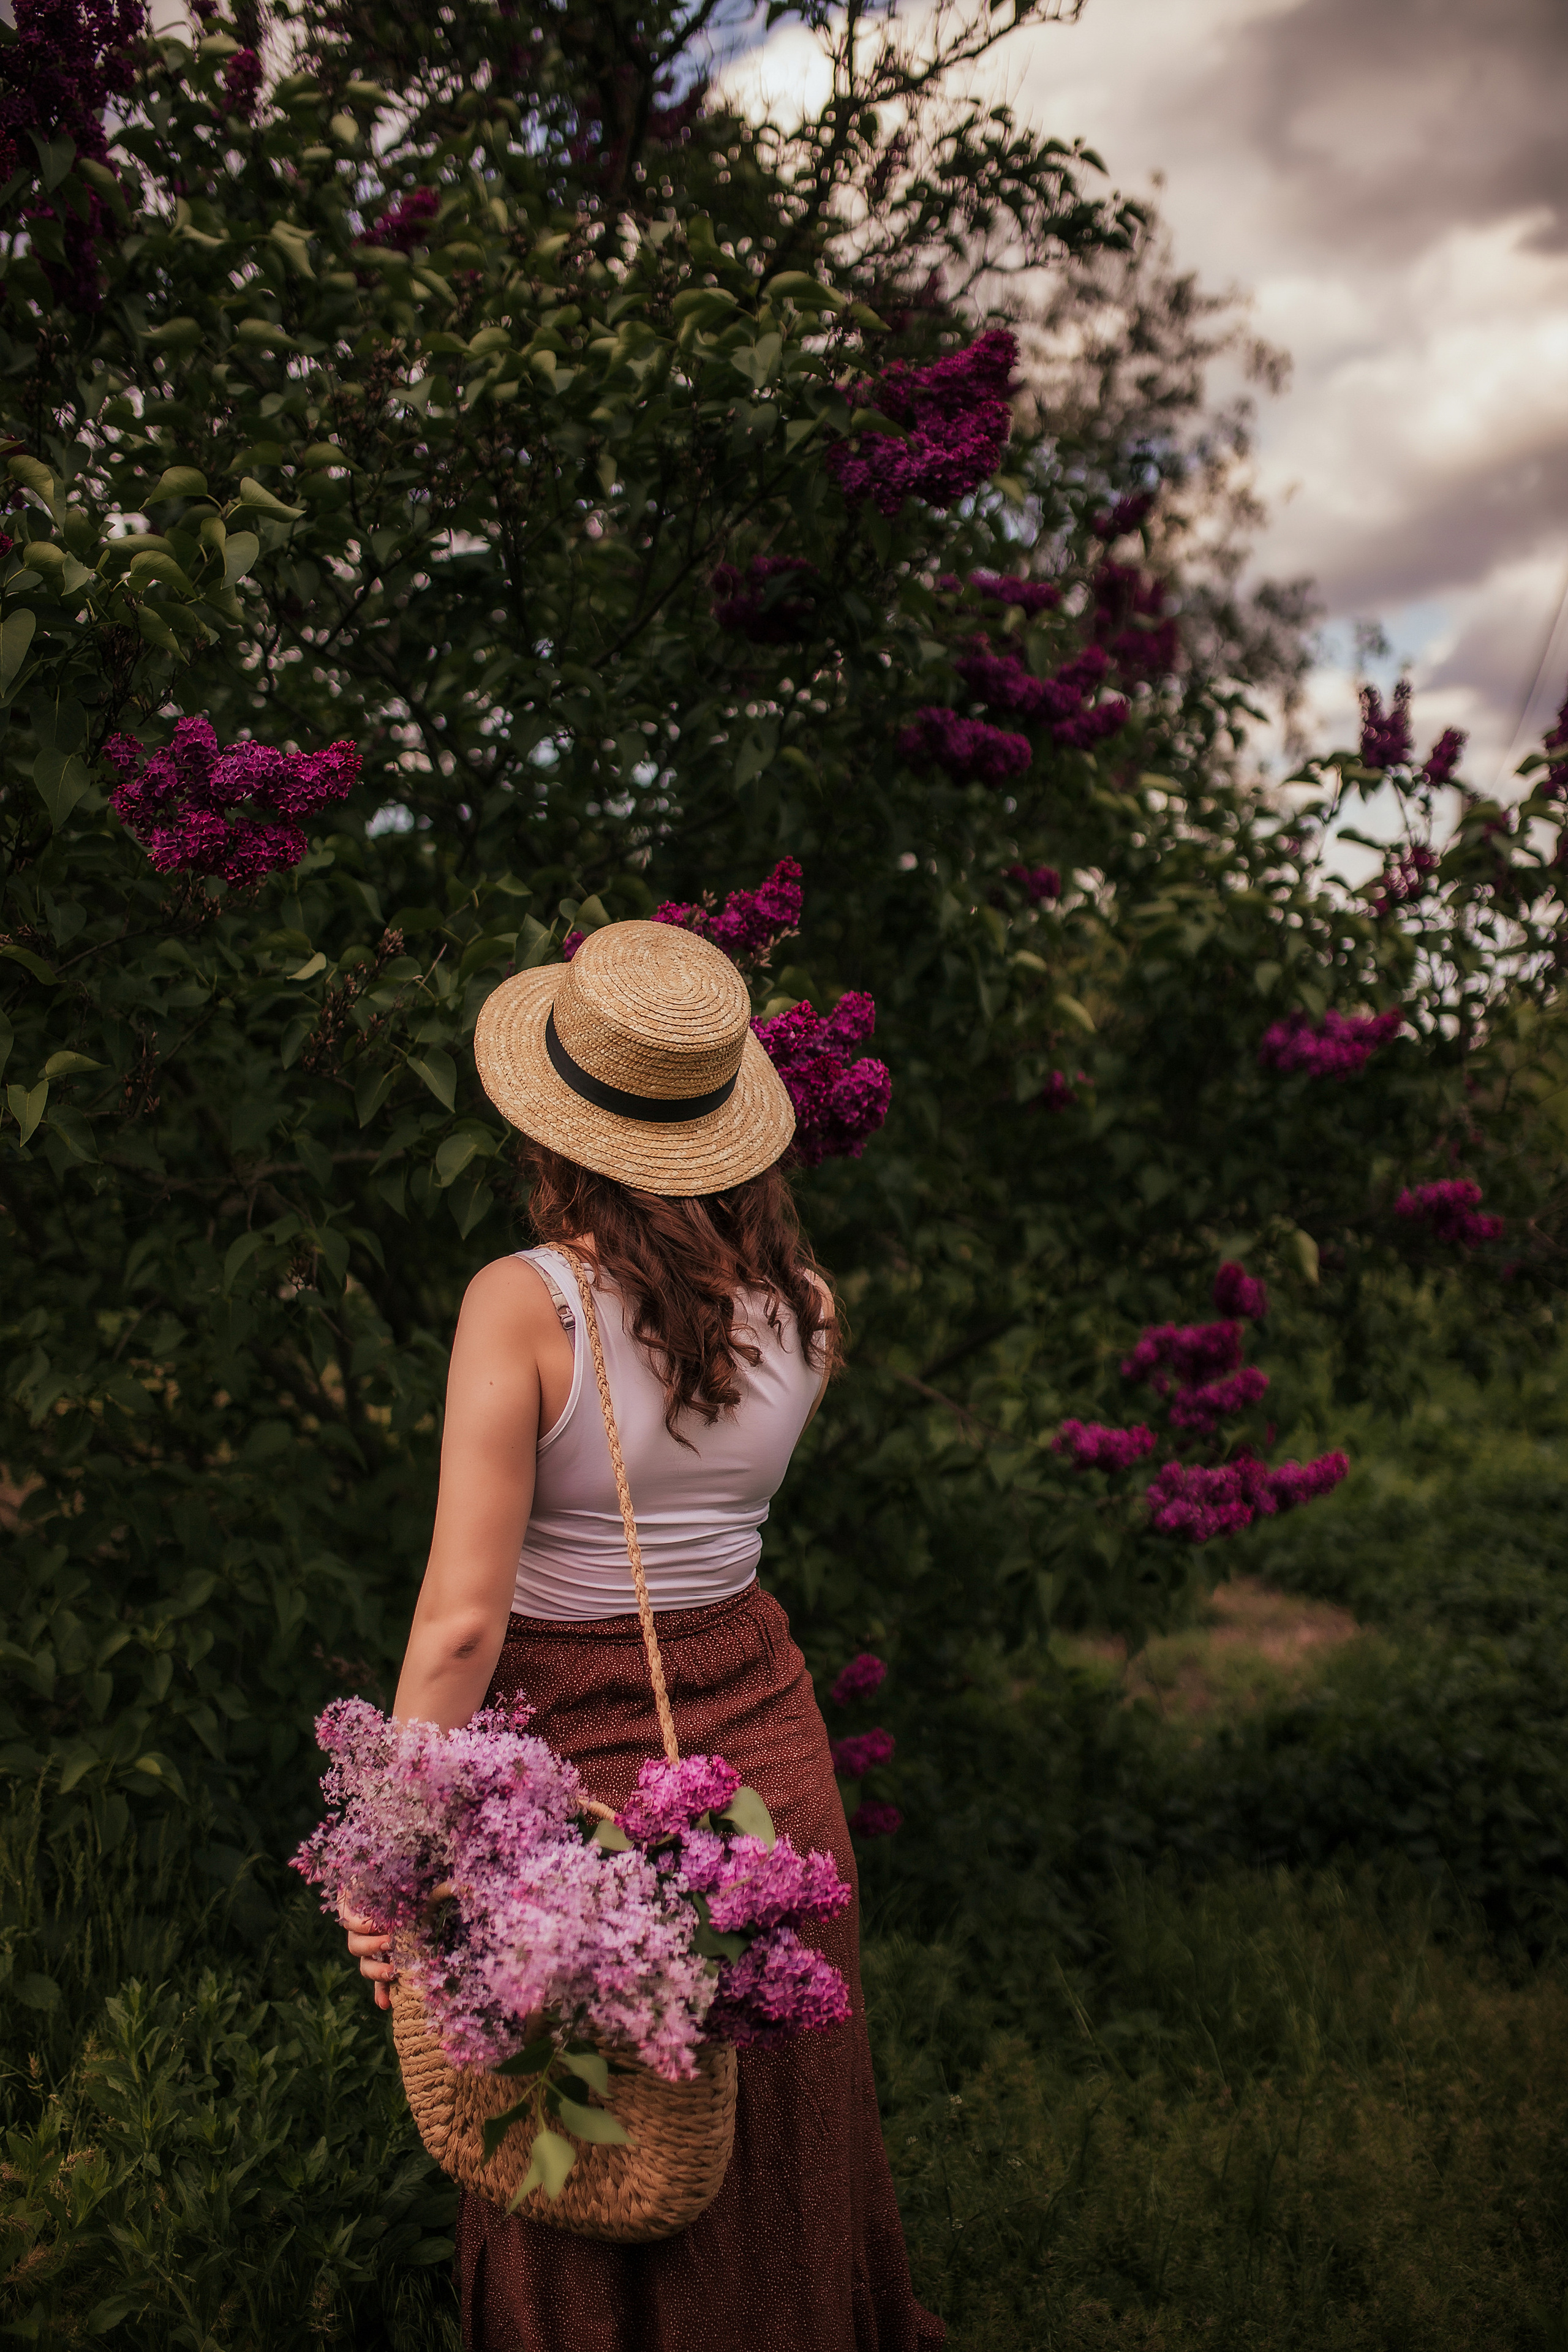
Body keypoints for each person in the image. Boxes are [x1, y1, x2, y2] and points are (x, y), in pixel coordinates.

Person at [341, 918, 943, 2351]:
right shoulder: (804, 1307)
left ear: (558, 1122)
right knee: (775, 2136)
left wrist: (386, 1860)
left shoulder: (523, 1302)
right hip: (766, 1748)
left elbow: (462, 1620)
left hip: (574, 1777)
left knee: (587, 2134)